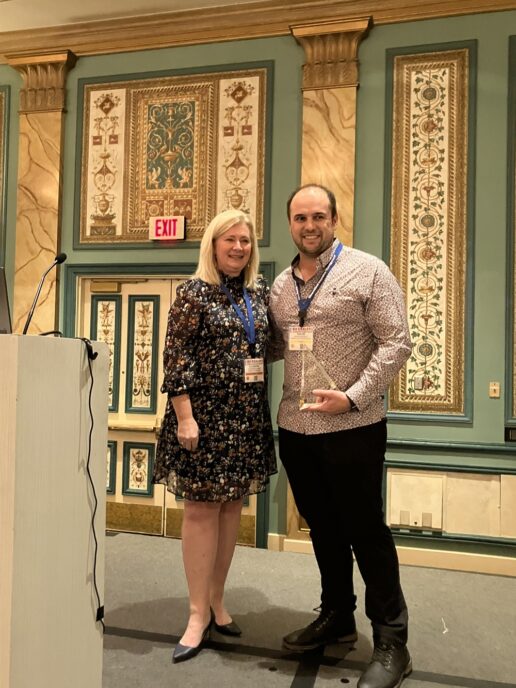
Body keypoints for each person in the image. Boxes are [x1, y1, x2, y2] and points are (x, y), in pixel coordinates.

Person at [268, 184, 412, 688]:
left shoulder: (369, 271)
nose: (309, 225)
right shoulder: (280, 286)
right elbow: (275, 347)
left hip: (353, 426)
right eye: (300, 217)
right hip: (296, 429)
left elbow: (397, 343)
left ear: (333, 219)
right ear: (290, 223)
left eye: (318, 216)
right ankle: (337, 616)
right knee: (324, 530)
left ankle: (392, 640)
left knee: (366, 532)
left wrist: (352, 397)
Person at [154, 208, 276, 664]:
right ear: (213, 244)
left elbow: (269, 346)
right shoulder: (193, 294)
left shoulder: (257, 294)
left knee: (230, 511)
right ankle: (195, 613)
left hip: (244, 420)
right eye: (230, 240)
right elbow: (176, 359)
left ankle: (217, 602)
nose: (239, 247)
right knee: (202, 512)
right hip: (203, 421)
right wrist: (185, 418)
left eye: (245, 240)